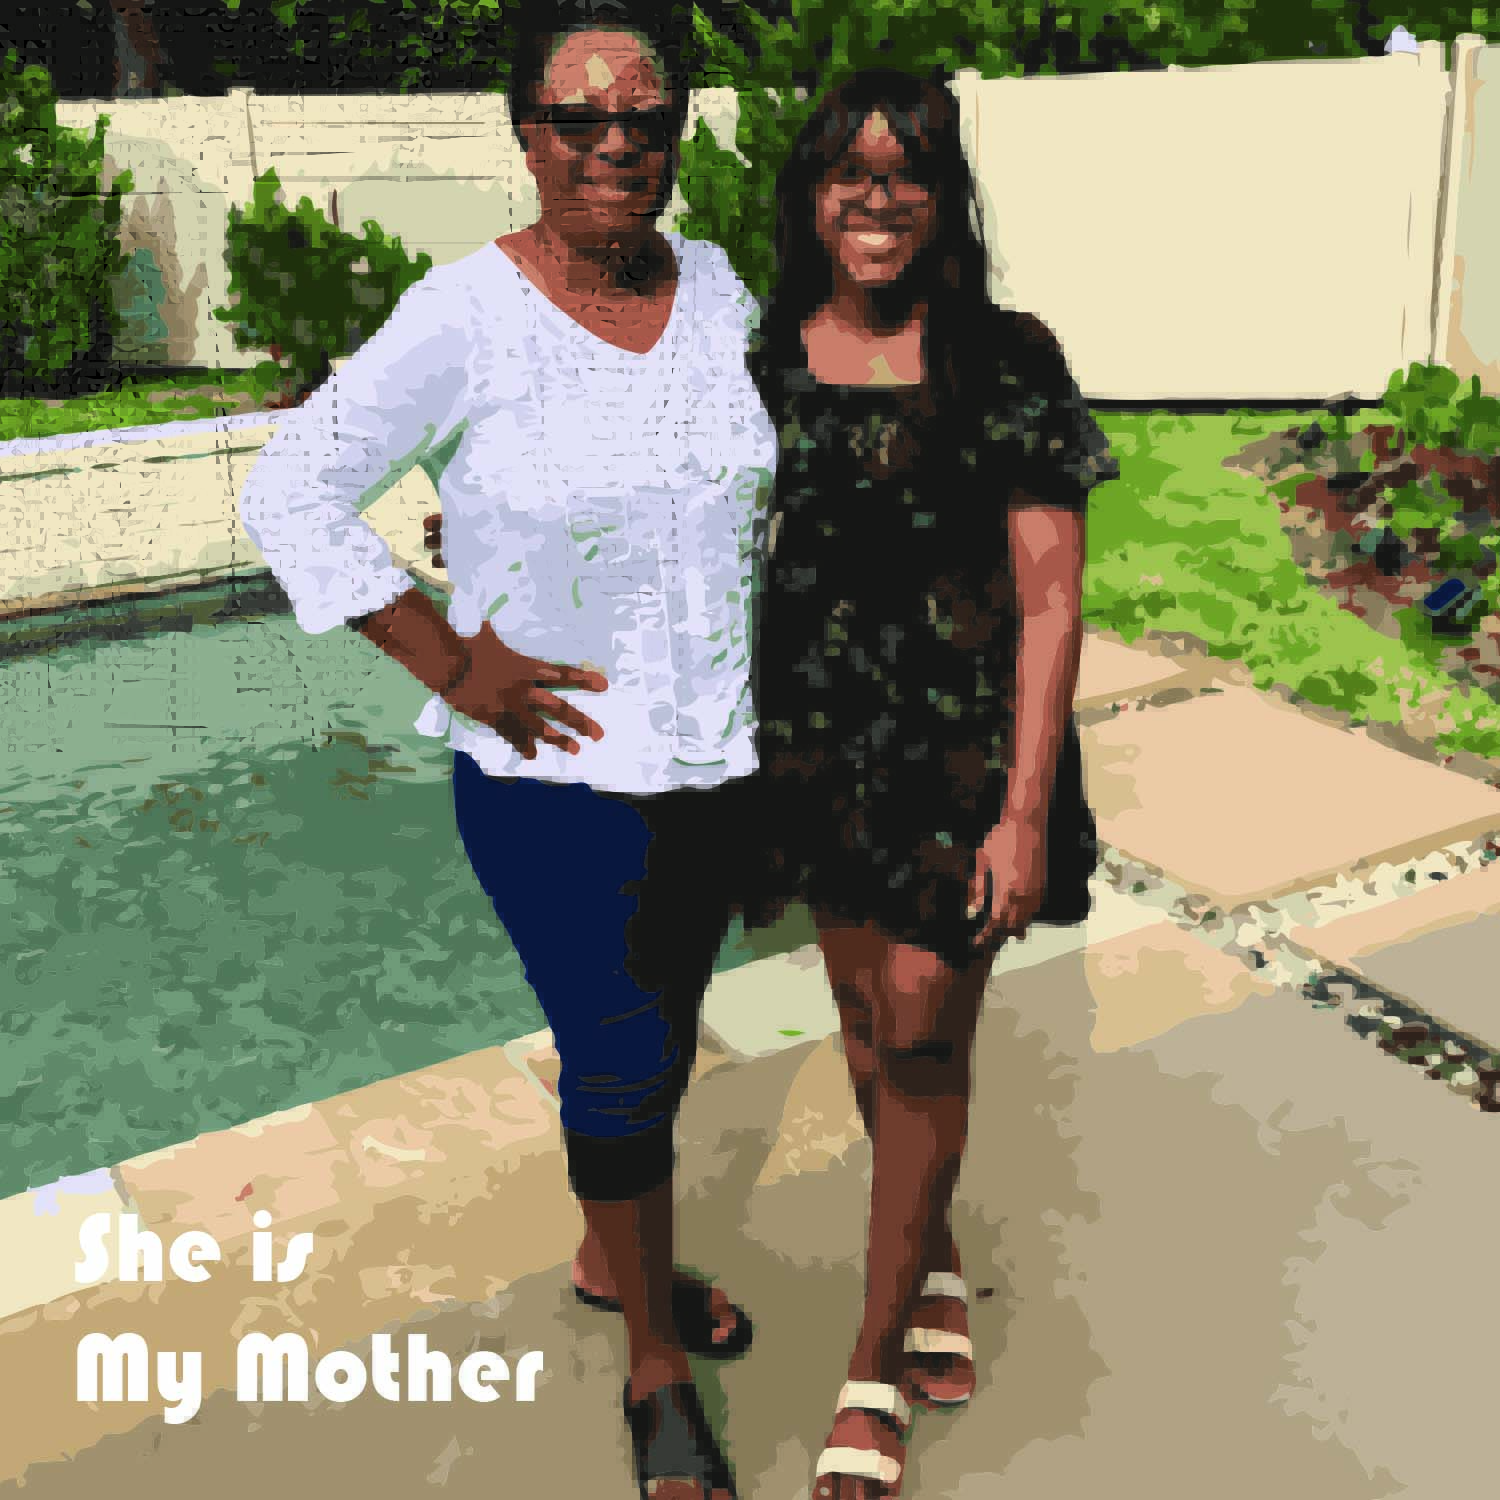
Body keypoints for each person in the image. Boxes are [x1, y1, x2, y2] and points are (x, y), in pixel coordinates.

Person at [238, 3, 775, 1497]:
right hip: (558, 782)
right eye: (577, 119)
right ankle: (653, 1368)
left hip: (714, 762)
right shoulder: (465, 316)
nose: (614, 146)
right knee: (619, 1068)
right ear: (526, 135)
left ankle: (616, 1258)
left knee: (660, 1047)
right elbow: (288, 492)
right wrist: (451, 661)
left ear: (677, 131)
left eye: (643, 118)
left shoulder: (720, 291)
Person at [747, 69, 1119, 1500]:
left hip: (961, 761)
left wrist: (1024, 813)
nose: (876, 196)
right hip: (815, 749)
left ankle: (870, 1362)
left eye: (905, 170)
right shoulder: (768, 354)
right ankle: (935, 1255)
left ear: (944, 195)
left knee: (917, 1030)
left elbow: (1051, 599)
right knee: (863, 1026)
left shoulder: (1007, 358)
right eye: (849, 170)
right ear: (811, 195)